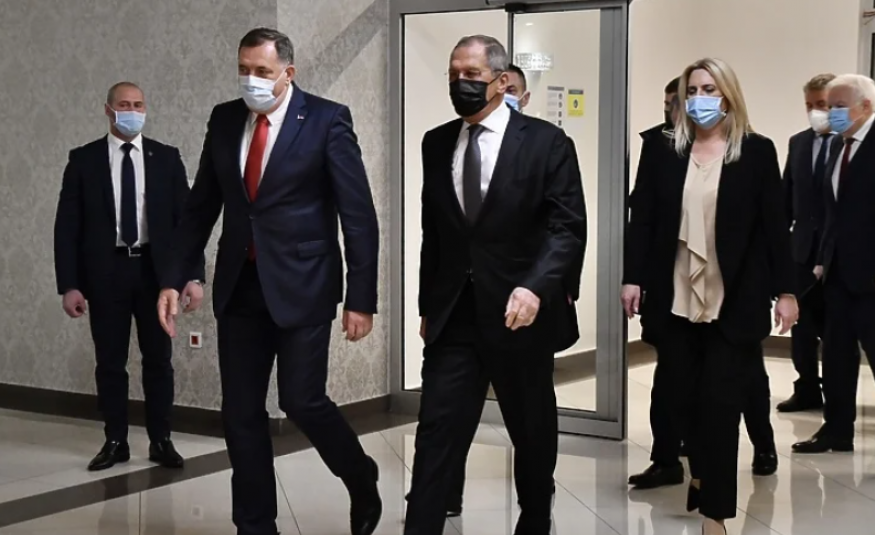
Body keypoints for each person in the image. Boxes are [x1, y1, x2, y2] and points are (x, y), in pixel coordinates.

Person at [155, 28, 382, 535]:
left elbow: (358, 215)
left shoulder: (326, 119)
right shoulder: (224, 119)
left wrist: (361, 298)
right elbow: (200, 208)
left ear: (288, 73)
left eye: (262, 71)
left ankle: (359, 475)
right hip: (240, 286)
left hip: (305, 284)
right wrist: (175, 276)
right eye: (244, 69)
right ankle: (255, 525)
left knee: (302, 400)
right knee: (240, 412)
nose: (251, 80)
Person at [404, 35, 586, 535]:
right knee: (437, 430)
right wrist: (427, 305)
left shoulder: (547, 143)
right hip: (455, 315)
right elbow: (435, 231)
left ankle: (535, 516)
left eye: (471, 75)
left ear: (502, 81)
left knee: (530, 429)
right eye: (453, 74)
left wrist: (535, 287)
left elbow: (567, 228)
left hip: (519, 313)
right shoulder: (436, 142)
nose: (459, 84)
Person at [622, 58, 797, 535]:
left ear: (728, 96)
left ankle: (714, 517)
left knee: (720, 406)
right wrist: (632, 277)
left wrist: (786, 290)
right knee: (681, 399)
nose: (699, 98)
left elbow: (774, 226)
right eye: (692, 90)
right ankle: (699, 470)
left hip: (733, 298)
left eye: (709, 89)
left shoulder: (756, 151)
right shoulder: (662, 151)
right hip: (674, 295)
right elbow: (643, 219)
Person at [53, 82, 203, 471]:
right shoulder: (83, 160)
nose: (132, 111)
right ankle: (115, 440)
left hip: (157, 274)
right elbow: (67, 227)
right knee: (110, 362)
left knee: (159, 360)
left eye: (138, 105)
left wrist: (192, 277)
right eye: (124, 104)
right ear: (108, 110)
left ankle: (161, 440)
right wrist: (70, 285)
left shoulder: (166, 158)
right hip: (106, 273)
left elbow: (187, 223)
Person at [793, 74, 875, 454]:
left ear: (866, 106)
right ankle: (837, 430)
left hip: (871, 276)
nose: (832, 113)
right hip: (838, 273)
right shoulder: (840, 147)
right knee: (837, 355)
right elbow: (832, 213)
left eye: (839, 106)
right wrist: (823, 260)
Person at [778, 73, 845, 413]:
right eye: (810, 105)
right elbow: (786, 197)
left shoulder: (851, 144)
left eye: (822, 104)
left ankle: (838, 395)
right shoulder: (798, 143)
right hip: (802, 251)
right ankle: (806, 388)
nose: (816, 112)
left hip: (838, 255)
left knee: (836, 330)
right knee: (801, 328)